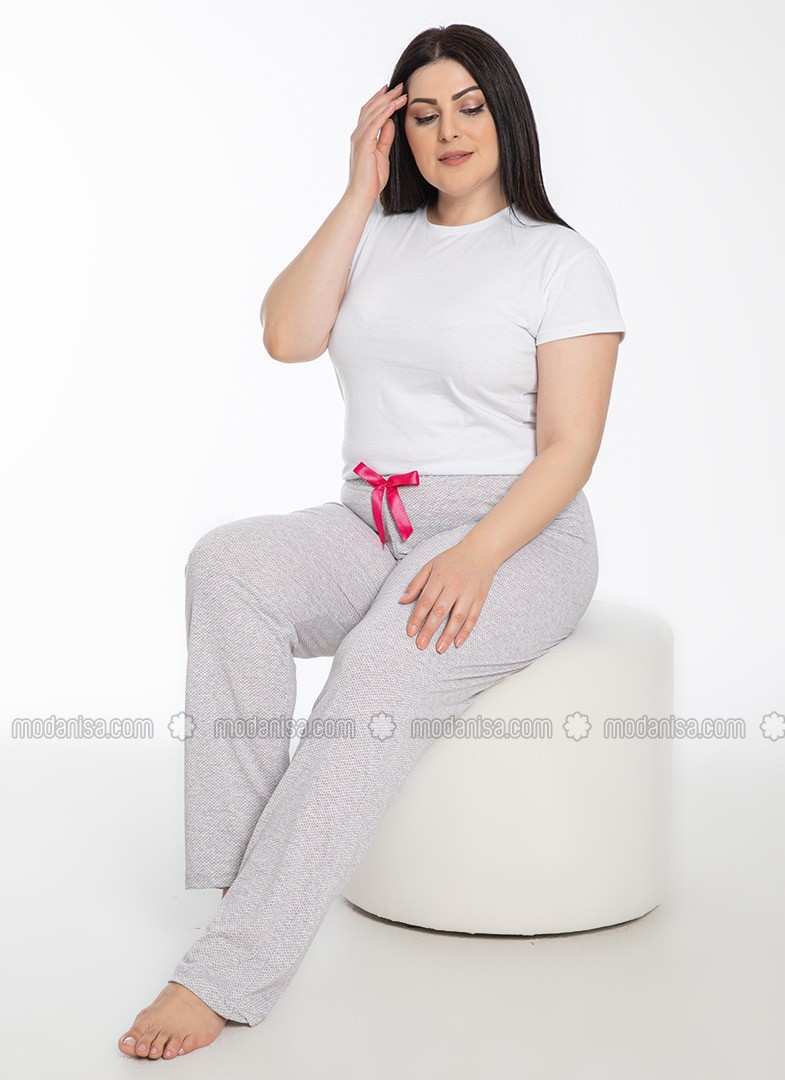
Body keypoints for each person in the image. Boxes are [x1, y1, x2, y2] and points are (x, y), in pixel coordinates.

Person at [118, 23, 626, 1060]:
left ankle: (229, 969)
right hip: (371, 517)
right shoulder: (378, 237)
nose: (449, 130)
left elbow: (570, 449)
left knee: (384, 661)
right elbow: (287, 336)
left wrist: (475, 555)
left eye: (469, 106)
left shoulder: (559, 260)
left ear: (505, 113)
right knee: (229, 567)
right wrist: (358, 190)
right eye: (423, 113)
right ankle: (252, 889)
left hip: (517, 530)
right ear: (396, 130)